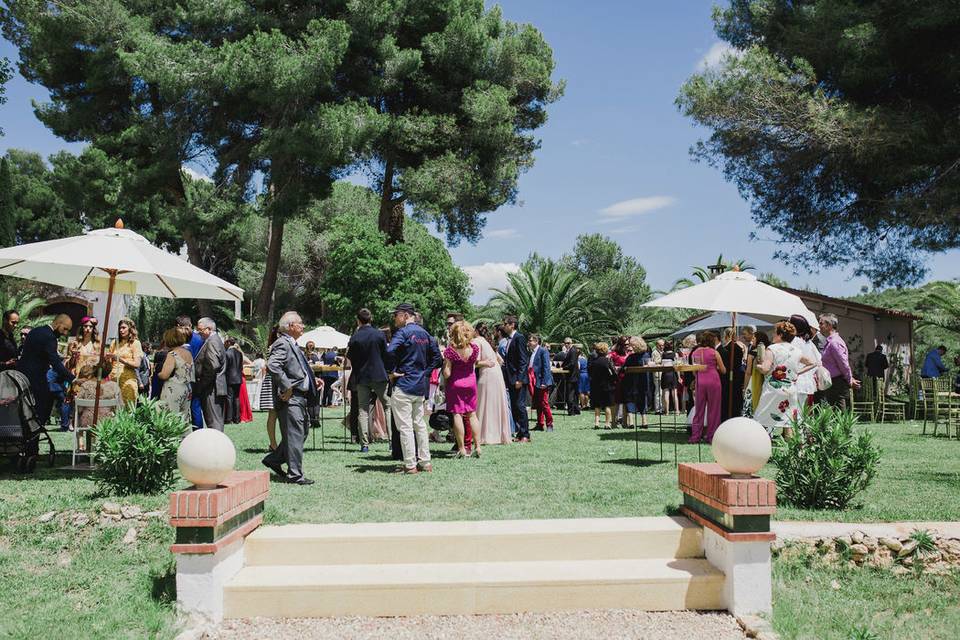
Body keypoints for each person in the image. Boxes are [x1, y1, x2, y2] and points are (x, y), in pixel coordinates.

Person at [261, 311, 318, 484]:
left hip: (299, 397)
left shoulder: (291, 343)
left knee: (300, 432)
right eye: (300, 323)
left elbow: (294, 368)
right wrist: (287, 386)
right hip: (290, 398)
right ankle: (295, 475)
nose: (303, 326)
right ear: (291, 326)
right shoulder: (283, 343)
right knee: (295, 434)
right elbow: (273, 365)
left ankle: (274, 459)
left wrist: (312, 379)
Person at [387, 303, 442, 473]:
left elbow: (389, 351)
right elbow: (438, 359)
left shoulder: (403, 332)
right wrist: (424, 373)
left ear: (404, 315)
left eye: (396, 315)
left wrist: (392, 371)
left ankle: (410, 464)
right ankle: (425, 462)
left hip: (404, 385)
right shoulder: (425, 334)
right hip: (420, 386)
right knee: (419, 424)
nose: (394, 318)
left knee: (405, 427)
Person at [17, 314, 75, 447]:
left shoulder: (35, 331)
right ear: (58, 324)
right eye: (65, 329)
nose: (65, 333)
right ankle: (32, 445)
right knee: (40, 412)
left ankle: (25, 443)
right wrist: (72, 378)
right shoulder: (50, 338)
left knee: (25, 413)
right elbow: (55, 361)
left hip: (22, 377)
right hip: (36, 380)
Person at [755, 321, 815, 438]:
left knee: (761, 419)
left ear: (781, 335)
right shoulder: (796, 351)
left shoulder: (772, 349)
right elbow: (812, 362)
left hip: (773, 390)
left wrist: (758, 366)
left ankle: (760, 445)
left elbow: (765, 369)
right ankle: (791, 451)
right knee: (788, 423)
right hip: (790, 389)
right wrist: (797, 372)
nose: (773, 335)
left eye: (774, 333)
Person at [345, 308, 390, 453]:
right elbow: (385, 355)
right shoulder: (379, 335)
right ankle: (391, 441)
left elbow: (350, 358)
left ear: (358, 320)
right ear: (371, 319)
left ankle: (364, 444)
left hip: (362, 377)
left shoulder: (355, 337)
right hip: (379, 376)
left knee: (362, 410)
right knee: (388, 407)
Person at [443, 320, 484, 458]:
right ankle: (477, 447)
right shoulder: (474, 349)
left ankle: (462, 448)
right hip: (471, 383)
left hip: (456, 384)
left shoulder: (450, 351)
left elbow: (447, 373)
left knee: (457, 415)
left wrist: (444, 367)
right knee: (472, 415)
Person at [473, 323, 511, 445]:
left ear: (476, 331)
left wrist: (484, 363)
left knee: (485, 402)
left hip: (487, 373)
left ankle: (486, 434)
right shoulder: (489, 343)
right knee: (495, 403)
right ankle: (498, 434)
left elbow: (475, 361)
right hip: (497, 374)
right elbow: (500, 360)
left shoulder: (477, 341)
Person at [816, 313, 860, 409]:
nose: (819, 326)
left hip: (837, 383)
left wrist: (850, 379)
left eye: (821, 323)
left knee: (839, 412)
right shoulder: (830, 342)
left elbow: (843, 364)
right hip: (832, 383)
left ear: (829, 325)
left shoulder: (835, 342)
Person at [690, 331, 726, 443]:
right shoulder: (714, 353)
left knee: (699, 410)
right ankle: (711, 436)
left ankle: (695, 436)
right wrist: (715, 367)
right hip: (713, 381)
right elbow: (723, 370)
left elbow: (694, 371)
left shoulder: (695, 352)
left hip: (700, 381)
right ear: (712, 341)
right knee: (713, 410)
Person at [194, 317, 227, 431]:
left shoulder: (212, 342)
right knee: (214, 420)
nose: (198, 332)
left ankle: (218, 447)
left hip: (211, 389)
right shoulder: (214, 340)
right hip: (213, 387)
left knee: (214, 422)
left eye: (200, 330)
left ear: (209, 329)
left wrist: (201, 385)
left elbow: (213, 367)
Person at [157, 327, 195, 426]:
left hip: (173, 389)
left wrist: (158, 373)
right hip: (187, 388)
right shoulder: (188, 353)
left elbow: (165, 375)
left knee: (171, 418)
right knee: (184, 418)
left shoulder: (172, 354)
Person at [502, 315, 531, 443]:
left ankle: (525, 434)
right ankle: (519, 433)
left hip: (518, 379)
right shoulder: (509, 339)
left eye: (505, 324)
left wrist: (520, 379)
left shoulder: (519, 338)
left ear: (512, 325)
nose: (504, 326)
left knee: (520, 406)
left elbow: (523, 361)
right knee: (514, 406)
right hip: (511, 378)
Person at [108, 318, 143, 407]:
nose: (121, 330)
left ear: (130, 329)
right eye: (120, 328)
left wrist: (120, 359)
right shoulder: (114, 342)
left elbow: (137, 364)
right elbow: (109, 362)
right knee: (112, 410)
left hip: (128, 381)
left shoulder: (135, 343)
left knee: (127, 410)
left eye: (124, 328)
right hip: (113, 380)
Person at [178, 315, 205, 430]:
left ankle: (180, 431)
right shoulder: (200, 339)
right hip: (196, 375)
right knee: (195, 406)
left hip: (181, 375)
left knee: (181, 406)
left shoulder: (179, 338)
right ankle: (198, 431)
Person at [789, 315, 820, 409]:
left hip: (796, 381)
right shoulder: (808, 342)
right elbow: (818, 361)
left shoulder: (794, 341)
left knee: (794, 412)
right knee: (802, 413)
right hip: (807, 382)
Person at [621, 337, 651, 428]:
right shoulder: (647, 355)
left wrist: (621, 369)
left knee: (630, 399)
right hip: (644, 380)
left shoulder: (631, 357)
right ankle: (644, 422)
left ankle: (631, 422)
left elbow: (624, 369)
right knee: (642, 399)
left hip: (631, 381)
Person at [717, 328, 745, 421]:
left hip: (730, 376)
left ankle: (730, 416)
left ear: (726, 336)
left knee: (730, 397)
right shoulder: (736, 347)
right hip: (735, 375)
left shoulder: (729, 348)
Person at [528, 334, 554, 432]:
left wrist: (545, 382)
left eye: (531, 341)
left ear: (536, 341)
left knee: (544, 403)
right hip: (534, 381)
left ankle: (550, 424)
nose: (529, 343)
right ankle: (540, 423)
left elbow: (546, 367)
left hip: (542, 382)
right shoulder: (532, 352)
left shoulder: (543, 351)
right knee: (538, 404)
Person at [259, 326, 280, 451]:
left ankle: (273, 443)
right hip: (274, 381)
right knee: (273, 414)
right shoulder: (274, 347)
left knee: (272, 415)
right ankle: (273, 443)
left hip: (272, 380)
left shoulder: (271, 347)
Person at [588, 342, 616, 428]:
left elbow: (590, 372)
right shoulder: (607, 361)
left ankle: (596, 423)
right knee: (607, 405)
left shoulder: (593, 362)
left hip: (595, 386)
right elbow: (612, 373)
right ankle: (607, 423)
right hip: (606, 386)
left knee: (597, 405)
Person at [744, 330, 770, 416]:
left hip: (754, 382)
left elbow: (748, 372)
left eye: (754, 338)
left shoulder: (752, 353)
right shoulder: (769, 352)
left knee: (751, 406)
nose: (752, 340)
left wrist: (744, 387)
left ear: (759, 339)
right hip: (767, 383)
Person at [223, 338, 244, 424]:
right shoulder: (239, 353)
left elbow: (225, 367)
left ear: (228, 343)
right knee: (236, 398)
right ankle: (237, 418)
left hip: (229, 378)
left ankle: (229, 418)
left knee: (229, 398)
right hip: (238, 378)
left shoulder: (227, 353)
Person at [609, 336, 628, 427]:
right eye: (626, 344)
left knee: (625, 401)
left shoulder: (628, 353)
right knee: (616, 401)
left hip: (626, 379)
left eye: (628, 344)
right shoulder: (614, 354)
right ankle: (613, 421)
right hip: (617, 380)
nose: (627, 346)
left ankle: (625, 422)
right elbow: (608, 362)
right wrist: (615, 369)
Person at [560, 338, 581, 415]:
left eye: (568, 343)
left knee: (570, 394)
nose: (566, 344)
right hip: (574, 375)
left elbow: (572, 363)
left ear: (571, 343)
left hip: (572, 376)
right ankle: (576, 410)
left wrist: (563, 367)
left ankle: (571, 411)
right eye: (565, 343)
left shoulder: (572, 350)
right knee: (574, 394)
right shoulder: (572, 350)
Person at [660, 341, 680, 415]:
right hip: (673, 374)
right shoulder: (675, 354)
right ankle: (677, 411)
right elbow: (677, 366)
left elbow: (662, 364)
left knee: (666, 393)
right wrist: (679, 377)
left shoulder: (663, 354)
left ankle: (667, 411)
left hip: (665, 374)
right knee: (674, 393)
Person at [651, 339, 664, 413]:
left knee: (662, 391)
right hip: (657, 374)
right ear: (657, 345)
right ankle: (658, 409)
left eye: (663, 345)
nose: (662, 347)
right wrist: (661, 360)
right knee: (658, 391)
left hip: (663, 374)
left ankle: (662, 407)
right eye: (660, 345)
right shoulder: (654, 352)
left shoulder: (662, 352)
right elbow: (653, 363)